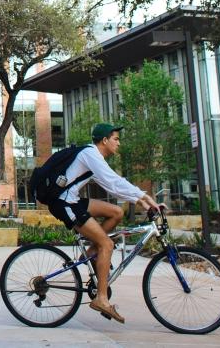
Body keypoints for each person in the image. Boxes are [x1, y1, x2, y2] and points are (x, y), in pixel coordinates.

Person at [49, 123, 167, 324]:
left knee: (116, 212)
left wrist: (142, 201)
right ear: (104, 140)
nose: (119, 143)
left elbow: (113, 186)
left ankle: (91, 252)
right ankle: (101, 299)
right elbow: (113, 181)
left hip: (73, 200)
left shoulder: (94, 157)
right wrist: (145, 198)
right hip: (63, 203)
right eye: (116, 139)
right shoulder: (90, 154)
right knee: (107, 244)